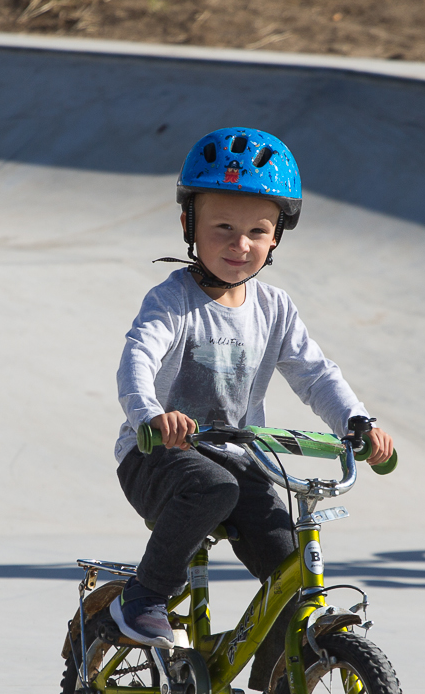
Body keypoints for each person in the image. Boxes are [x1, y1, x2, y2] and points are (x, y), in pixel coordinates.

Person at [107, 126, 393, 649]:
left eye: (257, 231)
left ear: (277, 236)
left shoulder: (274, 308)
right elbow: (138, 355)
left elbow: (314, 372)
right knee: (212, 488)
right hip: (158, 457)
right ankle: (144, 598)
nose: (240, 245)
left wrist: (357, 422)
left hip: (241, 458)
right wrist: (149, 415)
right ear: (188, 224)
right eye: (222, 227)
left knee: (288, 565)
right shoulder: (171, 301)